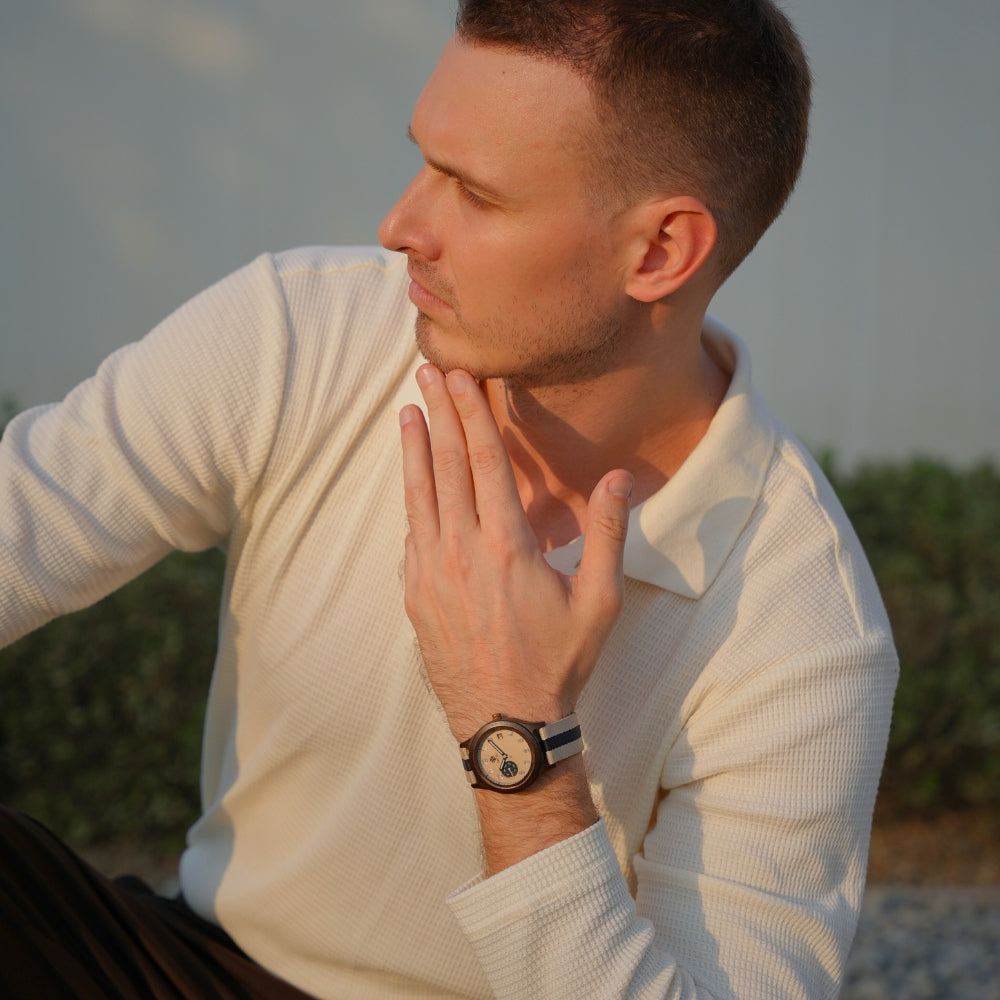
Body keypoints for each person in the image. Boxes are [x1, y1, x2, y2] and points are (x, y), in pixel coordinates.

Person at [0, 1, 898, 998]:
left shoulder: (803, 624)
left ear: (660, 252)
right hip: (192, 968)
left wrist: (517, 734)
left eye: (475, 193)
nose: (400, 227)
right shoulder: (301, 335)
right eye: (426, 162)